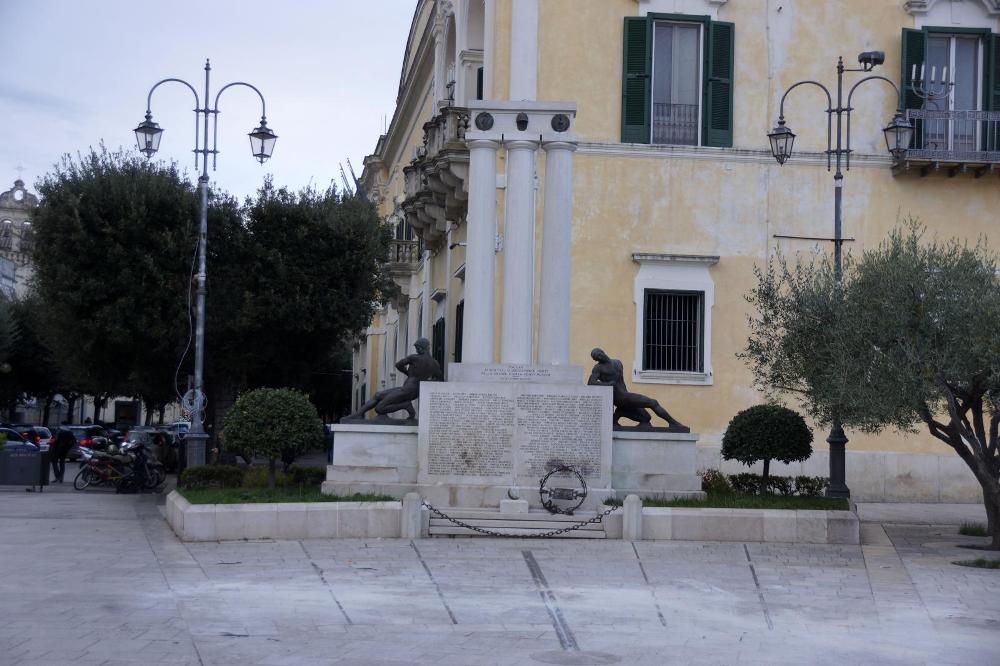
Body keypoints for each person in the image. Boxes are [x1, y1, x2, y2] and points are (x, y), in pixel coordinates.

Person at [587, 347, 687, 430]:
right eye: (596, 357)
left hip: (625, 396)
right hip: (619, 397)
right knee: (653, 402)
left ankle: (619, 414)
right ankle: (673, 423)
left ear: (603, 351)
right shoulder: (598, 368)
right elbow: (590, 382)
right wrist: (608, 384)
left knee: (646, 418)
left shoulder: (617, 362)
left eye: (599, 354)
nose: (599, 357)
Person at [345, 338, 442, 421]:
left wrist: (408, 373)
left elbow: (398, 365)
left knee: (379, 408)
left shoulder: (414, 358)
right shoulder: (435, 364)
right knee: (378, 395)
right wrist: (424, 383)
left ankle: (405, 405)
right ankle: (359, 414)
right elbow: (440, 380)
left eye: (417, 348)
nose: (416, 350)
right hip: (414, 392)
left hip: (407, 390)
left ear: (420, 348)